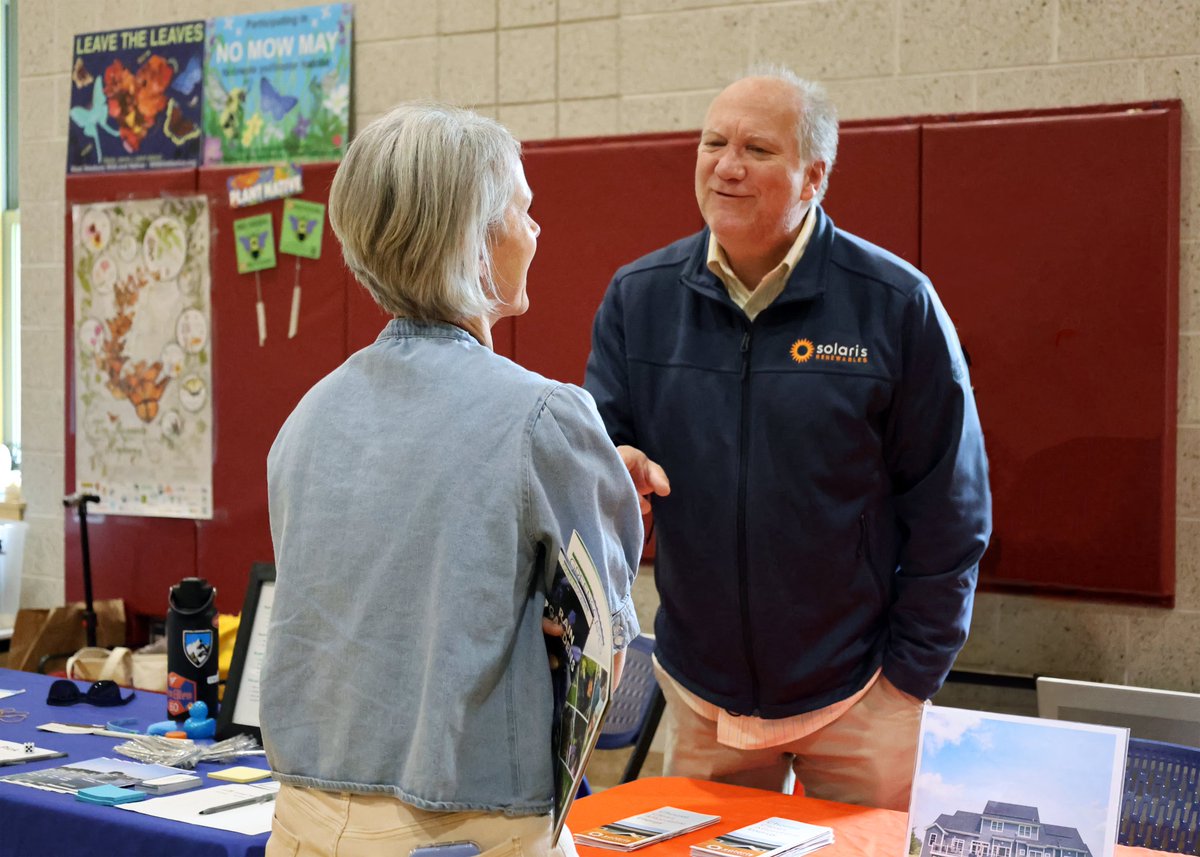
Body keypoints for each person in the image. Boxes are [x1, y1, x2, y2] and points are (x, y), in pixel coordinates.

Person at [584, 67, 991, 812]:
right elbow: (597, 447)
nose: (726, 165)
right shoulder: (636, 298)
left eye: (757, 149)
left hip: (861, 696)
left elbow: (951, 510)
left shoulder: (896, 305)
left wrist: (908, 678)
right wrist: (614, 463)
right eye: (713, 142)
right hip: (704, 697)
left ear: (815, 175)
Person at [259, 102, 644, 856]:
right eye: (524, 212)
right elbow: (605, 653)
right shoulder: (545, 419)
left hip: (303, 819)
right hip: (465, 827)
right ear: (474, 239)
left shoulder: (307, 418)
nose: (536, 232)